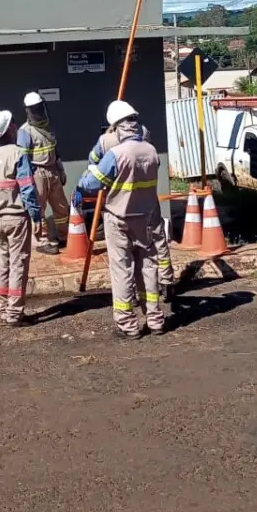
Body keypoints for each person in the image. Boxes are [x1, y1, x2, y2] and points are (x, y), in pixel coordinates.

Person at [75, 102, 165, 340]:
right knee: (148, 266)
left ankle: (128, 324)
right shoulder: (151, 151)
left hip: (118, 218)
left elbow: (92, 182)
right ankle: (155, 318)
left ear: (117, 127)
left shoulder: (117, 154)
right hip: (145, 217)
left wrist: (81, 183)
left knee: (122, 269)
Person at [88, 101, 175, 300]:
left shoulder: (105, 141)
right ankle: (166, 281)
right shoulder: (144, 133)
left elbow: (93, 160)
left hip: (120, 204)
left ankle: (133, 295)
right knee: (157, 242)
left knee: (124, 256)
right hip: (148, 202)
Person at [0, 109, 42, 327]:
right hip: (16, 218)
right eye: (13, 123)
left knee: (2, 263)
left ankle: (2, 308)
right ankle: (14, 313)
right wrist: (37, 217)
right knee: (18, 263)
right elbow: (27, 189)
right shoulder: (17, 154)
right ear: (9, 129)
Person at [17, 91, 69, 256]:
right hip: (37, 172)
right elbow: (23, 157)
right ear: (28, 111)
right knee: (38, 209)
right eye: (35, 109)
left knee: (61, 207)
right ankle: (41, 240)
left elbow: (55, 149)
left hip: (52, 169)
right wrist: (27, 180)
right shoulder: (25, 131)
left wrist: (60, 170)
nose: (38, 111)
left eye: (40, 107)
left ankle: (64, 235)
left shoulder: (48, 125)